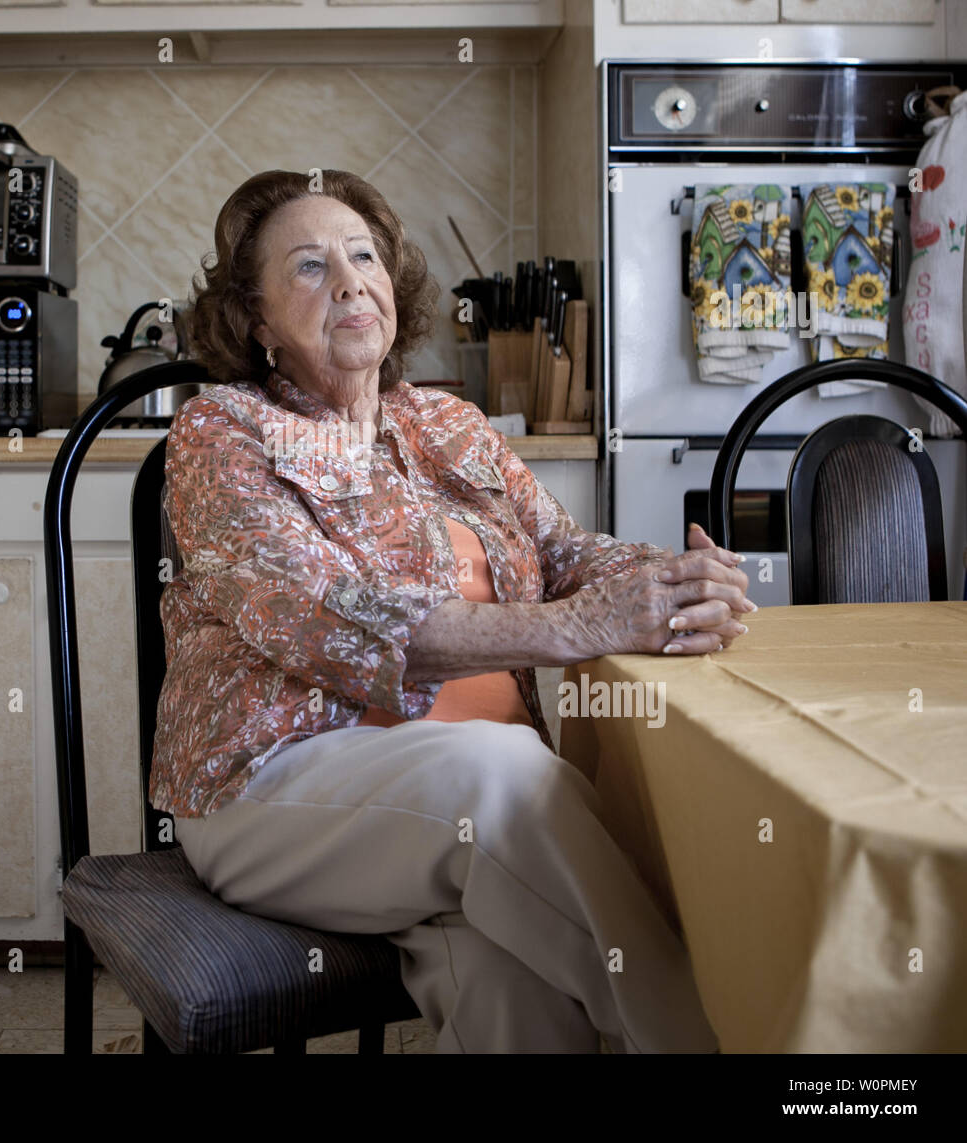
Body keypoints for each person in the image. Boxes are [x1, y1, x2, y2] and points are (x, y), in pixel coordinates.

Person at [149, 168, 752, 1053]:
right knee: (505, 775)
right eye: (310, 267)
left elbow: (565, 553)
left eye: (364, 256)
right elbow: (326, 616)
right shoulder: (222, 431)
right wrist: (584, 627)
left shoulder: (451, 425)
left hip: (440, 819)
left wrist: (671, 580)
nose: (351, 279)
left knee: (515, 983)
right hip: (274, 788)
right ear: (257, 319)